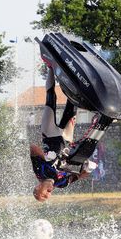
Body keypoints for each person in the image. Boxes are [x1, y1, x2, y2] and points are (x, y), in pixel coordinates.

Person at [30, 68, 97, 202]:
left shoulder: (40, 172)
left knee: (51, 98)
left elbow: (33, 148)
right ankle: (74, 76)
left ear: (38, 187)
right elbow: (79, 176)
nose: (48, 195)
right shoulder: (61, 183)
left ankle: (50, 67)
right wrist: (87, 170)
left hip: (50, 134)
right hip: (67, 138)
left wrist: (46, 157)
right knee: (73, 103)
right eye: (47, 197)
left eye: (43, 195)